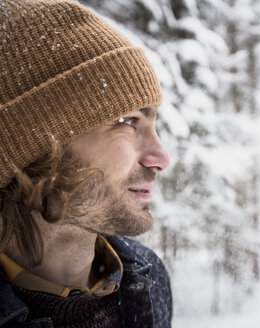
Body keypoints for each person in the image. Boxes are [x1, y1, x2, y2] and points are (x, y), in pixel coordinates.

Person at [0, 0, 173, 327]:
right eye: (127, 120)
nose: (161, 158)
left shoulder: (146, 279)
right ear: (34, 141)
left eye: (154, 124)